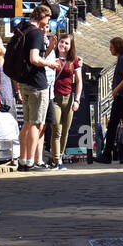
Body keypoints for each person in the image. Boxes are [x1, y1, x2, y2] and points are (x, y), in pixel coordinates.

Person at [15, 5, 58, 172]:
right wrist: (50, 63)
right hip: (37, 84)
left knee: (26, 123)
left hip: (24, 82)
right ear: (42, 17)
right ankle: (31, 161)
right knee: (36, 124)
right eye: (47, 20)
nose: (47, 24)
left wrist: (48, 50)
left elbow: (33, 57)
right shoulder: (37, 33)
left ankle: (23, 160)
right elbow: (34, 59)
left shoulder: (22, 28)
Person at [49, 32, 83, 169]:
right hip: (54, 97)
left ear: (71, 46)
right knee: (57, 129)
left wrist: (77, 100)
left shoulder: (74, 60)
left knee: (65, 131)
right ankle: (57, 161)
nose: (63, 45)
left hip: (68, 98)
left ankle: (58, 157)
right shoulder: (52, 57)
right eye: (61, 42)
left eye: (66, 43)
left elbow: (79, 82)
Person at [102, 37, 123, 164]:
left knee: (112, 126)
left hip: (122, 97)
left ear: (117, 47)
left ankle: (106, 156)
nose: (110, 49)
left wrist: (116, 90)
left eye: (111, 47)